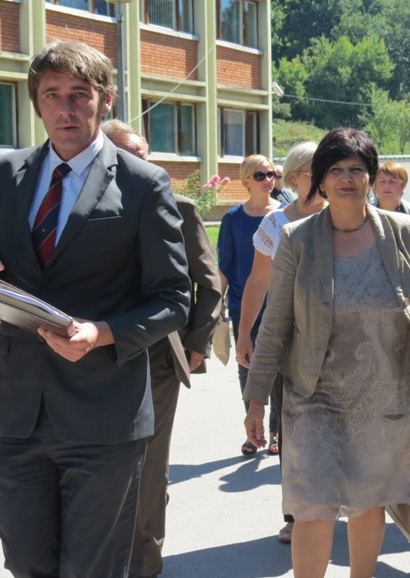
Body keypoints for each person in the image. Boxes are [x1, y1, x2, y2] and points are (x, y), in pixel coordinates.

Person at [0, 40, 191, 577]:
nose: (66, 108)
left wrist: (102, 332)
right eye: (52, 95)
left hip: (104, 416)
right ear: (37, 103)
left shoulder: (142, 183)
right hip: (20, 412)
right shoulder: (6, 173)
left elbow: (174, 299)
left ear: (105, 100)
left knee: (92, 568)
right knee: (26, 562)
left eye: (79, 94)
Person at [243, 128, 410, 578]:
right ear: (320, 179)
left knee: (368, 500)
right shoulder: (296, 239)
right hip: (312, 394)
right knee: (312, 505)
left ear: (371, 176)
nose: (347, 179)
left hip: (387, 393)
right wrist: (256, 399)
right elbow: (275, 322)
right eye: (336, 170)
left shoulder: (404, 232)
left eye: (357, 169)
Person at [101, 119, 222, 578]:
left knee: (150, 466)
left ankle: (145, 562)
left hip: (157, 356)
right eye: (125, 155)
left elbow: (209, 284)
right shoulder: (87, 209)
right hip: (94, 356)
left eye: (142, 155)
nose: (139, 165)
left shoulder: (179, 207)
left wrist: (197, 342)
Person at [236, 140, 324, 543]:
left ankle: (340, 507)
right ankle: (296, 515)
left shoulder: (345, 217)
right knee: (293, 430)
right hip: (290, 340)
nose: (324, 179)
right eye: (314, 171)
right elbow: (258, 283)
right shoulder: (275, 225)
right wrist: (244, 333)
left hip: (340, 340)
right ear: (293, 178)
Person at [217, 154, 282, 456]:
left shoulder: (284, 214)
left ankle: (276, 431)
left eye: (271, 174)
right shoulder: (233, 218)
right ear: (245, 181)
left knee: (279, 373)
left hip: (280, 306)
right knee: (248, 369)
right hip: (244, 307)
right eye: (259, 175)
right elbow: (225, 266)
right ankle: (252, 430)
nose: (267, 180)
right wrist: (217, 305)